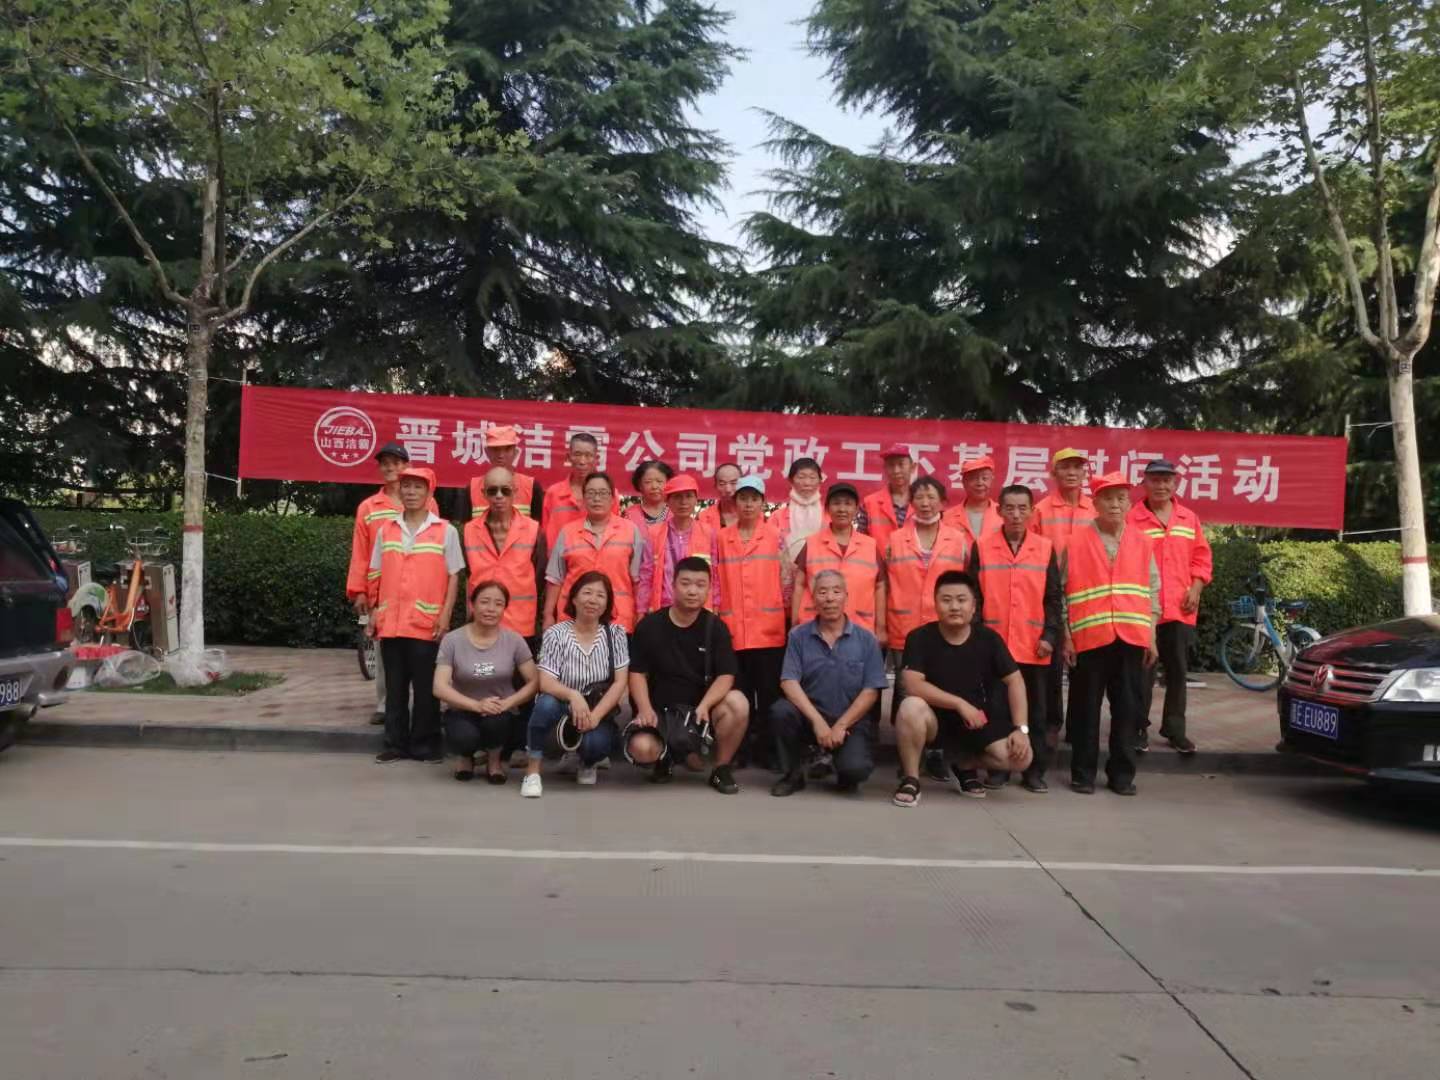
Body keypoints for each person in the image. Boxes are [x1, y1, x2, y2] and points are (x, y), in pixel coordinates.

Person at [892, 571, 1034, 806]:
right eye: (946, 600)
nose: (954, 607)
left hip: (976, 722)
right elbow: (913, 684)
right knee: (910, 707)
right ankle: (911, 778)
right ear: (935, 604)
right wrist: (959, 704)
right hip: (934, 721)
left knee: (1022, 758)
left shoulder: (989, 639)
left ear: (973, 606)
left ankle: (965, 764)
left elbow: (1015, 681)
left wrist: (1022, 729)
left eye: (961, 600)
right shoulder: (919, 637)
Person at [1062, 472, 1160, 796]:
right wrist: (1066, 636)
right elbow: (1061, 592)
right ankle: (1083, 774)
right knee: (1085, 710)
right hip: (1089, 639)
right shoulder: (1075, 542)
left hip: (1131, 639)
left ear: (1129, 503)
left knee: (1128, 711)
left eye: (1121, 498)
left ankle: (1122, 775)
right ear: (1096, 503)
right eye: (1108, 498)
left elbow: (1153, 591)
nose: (1115, 504)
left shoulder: (1142, 542)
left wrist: (1151, 636)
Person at [626, 556, 749, 794]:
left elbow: (726, 675)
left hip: (699, 713)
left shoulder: (716, 627)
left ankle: (721, 768)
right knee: (642, 748)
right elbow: (637, 673)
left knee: (738, 703)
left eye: (700, 585)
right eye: (685, 583)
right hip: (660, 711)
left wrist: (706, 705)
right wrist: (644, 709)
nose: (692, 591)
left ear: (709, 589)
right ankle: (664, 757)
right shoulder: (650, 626)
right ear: (673, 585)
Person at [367, 466, 463, 764]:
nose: (410, 492)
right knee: (394, 688)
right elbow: (375, 573)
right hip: (391, 623)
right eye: (406, 486)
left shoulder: (445, 531)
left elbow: (454, 576)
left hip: (425, 623)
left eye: (417, 487)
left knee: (426, 690)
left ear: (429, 492)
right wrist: (373, 612)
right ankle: (395, 744)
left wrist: (445, 615)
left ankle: (426, 745)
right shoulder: (387, 529)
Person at [970, 485, 1063, 792]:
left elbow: (1053, 598)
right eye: (1009, 508)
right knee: (996, 709)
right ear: (999, 511)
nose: (1016, 514)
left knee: (1035, 712)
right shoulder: (982, 546)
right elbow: (974, 597)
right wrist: (977, 638)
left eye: (1023, 508)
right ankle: (999, 768)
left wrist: (1050, 635)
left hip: (1033, 644)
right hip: (994, 644)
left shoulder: (1045, 547)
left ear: (1032, 512)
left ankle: (1034, 771)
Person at [770, 570, 889, 796]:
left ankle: (838, 764)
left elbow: (871, 691)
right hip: (810, 718)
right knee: (781, 711)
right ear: (813, 599)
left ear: (846, 596)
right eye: (822, 592)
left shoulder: (866, 639)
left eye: (836, 591)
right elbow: (789, 682)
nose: (830, 598)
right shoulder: (798, 636)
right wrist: (817, 722)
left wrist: (841, 725)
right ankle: (794, 773)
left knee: (855, 770)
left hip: (849, 722)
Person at [1128, 459, 1212, 755]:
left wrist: (1196, 587)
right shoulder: (1131, 518)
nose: (1161, 486)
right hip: (1143, 609)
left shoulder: (1189, 518)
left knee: (1177, 671)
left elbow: (1202, 558)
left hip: (1180, 608)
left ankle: (1175, 730)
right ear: (1145, 483)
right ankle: (1137, 728)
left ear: (1175, 484)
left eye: (1166, 480)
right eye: (1155, 480)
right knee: (1142, 673)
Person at [523, 571, 630, 796]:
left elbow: (620, 682)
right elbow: (546, 682)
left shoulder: (616, 634)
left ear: (607, 603)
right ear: (573, 598)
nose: (593, 600)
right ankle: (532, 772)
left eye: (600, 595)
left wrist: (596, 716)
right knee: (545, 704)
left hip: (597, 707)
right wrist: (573, 696)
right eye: (587, 593)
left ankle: (587, 762)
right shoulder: (556, 634)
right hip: (562, 704)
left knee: (596, 744)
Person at [883, 476, 971, 724]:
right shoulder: (895, 539)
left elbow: (967, 582)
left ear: (942, 503)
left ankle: (940, 740)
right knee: (906, 684)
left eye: (931, 497)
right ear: (911, 503)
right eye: (919, 497)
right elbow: (884, 582)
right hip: (904, 623)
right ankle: (906, 738)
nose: (925, 503)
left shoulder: (958, 540)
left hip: (944, 624)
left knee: (943, 680)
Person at [434, 580, 540, 783]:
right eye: (484, 602)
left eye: (498, 604)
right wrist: (476, 705)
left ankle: (494, 761)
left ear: (504, 609)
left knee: (497, 722)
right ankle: (465, 758)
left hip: (501, 711)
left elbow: (535, 681)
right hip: (462, 709)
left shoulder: (514, 640)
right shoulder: (452, 640)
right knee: (464, 736)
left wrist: (508, 703)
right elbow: (439, 686)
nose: (491, 609)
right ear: (472, 604)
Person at [716, 475, 788, 765]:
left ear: (763, 503)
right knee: (739, 694)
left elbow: (787, 580)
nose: (748, 504)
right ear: (735, 503)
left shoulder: (776, 536)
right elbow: (716, 580)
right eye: (743, 498)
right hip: (733, 630)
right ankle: (740, 749)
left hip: (768, 630)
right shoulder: (722, 537)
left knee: (769, 695)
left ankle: (768, 751)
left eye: (754, 499)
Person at [1031, 447, 1096, 749]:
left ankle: (1078, 725)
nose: (1072, 472)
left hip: (1088, 594)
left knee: (1085, 664)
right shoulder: (1041, 510)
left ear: (1085, 472)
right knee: (1053, 664)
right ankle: (1051, 723)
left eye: (1077, 467)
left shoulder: (1095, 509)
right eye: (1065, 467)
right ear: (1053, 472)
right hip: (1053, 594)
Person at [346, 441, 411, 725]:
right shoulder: (369, 507)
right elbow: (360, 552)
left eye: (396, 463)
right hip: (382, 589)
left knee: (418, 651)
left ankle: (419, 704)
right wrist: (359, 590)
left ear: (406, 466)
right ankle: (385, 704)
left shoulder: (424, 500)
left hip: (418, 588)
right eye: (385, 463)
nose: (390, 467)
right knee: (385, 650)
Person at [544, 471, 649, 634]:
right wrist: (548, 615)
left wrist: (641, 615)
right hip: (572, 619)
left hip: (618, 621)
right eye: (591, 493)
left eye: (603, 493)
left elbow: (638, 579)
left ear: (613, 498)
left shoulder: (630, 530)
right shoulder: (568, 532)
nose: (597, 498)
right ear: (583, 498)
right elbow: (555, 578)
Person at [462, 466, 544, 645]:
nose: (499, 496)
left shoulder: (534, 530)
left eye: (505, 490)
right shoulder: (469, 530)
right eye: (492, 491)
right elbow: (467, 576)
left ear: (515, 492)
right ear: (484, 494)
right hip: (481, 623)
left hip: (521, 625)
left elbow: (539, 578)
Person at [792, 482, 885, 638]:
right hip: (814, 629)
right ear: (827, 509)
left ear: (856, 509)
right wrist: (795, 624)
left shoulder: (870, 545)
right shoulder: (812, 543)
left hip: (859, 629)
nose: (842, 509)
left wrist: (881, 628)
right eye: (836, 503)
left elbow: (880, 586)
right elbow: (799, 584)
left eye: (848, 504)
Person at [642, 474, 719, 614]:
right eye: (677, 497)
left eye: (688, 496)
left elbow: (715, 575)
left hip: (698, 610)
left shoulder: (708, 533)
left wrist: (716, 607)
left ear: (696, 499)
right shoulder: (654, 533)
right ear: (667, 501)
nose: (683, 502)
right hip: (664, 609)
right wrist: (641, 610)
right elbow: (646, 575)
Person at [542, 432, 617, 549]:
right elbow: (544, 534)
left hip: (595, 558)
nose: (582, 461)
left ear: (596, 458)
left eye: (588, 455)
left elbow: (613, 532)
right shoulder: (554, 493)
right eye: (577, 454)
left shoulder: (609, 494)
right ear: (568, 457)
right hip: (559, 558)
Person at [770, 456, 827, 605]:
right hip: (785, 587)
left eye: (812, 477)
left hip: (823, 586)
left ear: (820, 481)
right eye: (801, 477)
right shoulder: (777, 517)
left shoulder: (829, 516)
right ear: (791, 480)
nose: (807, 483)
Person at [462, 425, 541, 523]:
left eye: (507, 449)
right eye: (496, 449)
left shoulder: (531, 486)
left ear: (516, 452)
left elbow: (538, 528)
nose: (501, 455)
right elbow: (466, 528)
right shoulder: (472, 488)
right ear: (487, 452)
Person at [858, 444, 914, 552]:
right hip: (878, 562)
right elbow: (860, 541)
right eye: (891, 465)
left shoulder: (923, 502)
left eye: (901, 464)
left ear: (912, 467)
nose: (896, 470)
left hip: (913, 562)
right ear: (884, 469)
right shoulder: (869, 503)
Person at [945, 455, 1002, 548]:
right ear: (963, 482)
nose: (980, 483)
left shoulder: (1003, 514)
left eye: (984, 478)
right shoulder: (947, 517)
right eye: (973, 478)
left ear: (992, 480)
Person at [625, 459, 674, 529]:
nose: (654, 486)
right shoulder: (629, 514)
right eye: (648, 482)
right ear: (639, 485)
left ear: (668, 483)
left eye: (659, 481)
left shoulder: (676, 512)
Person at [697, 462, 742, 532]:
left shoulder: (756, 516)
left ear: (743, 485)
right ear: (715, 486)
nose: (728, 489)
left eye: (733, 483)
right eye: (722, 484)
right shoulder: (703, 518)